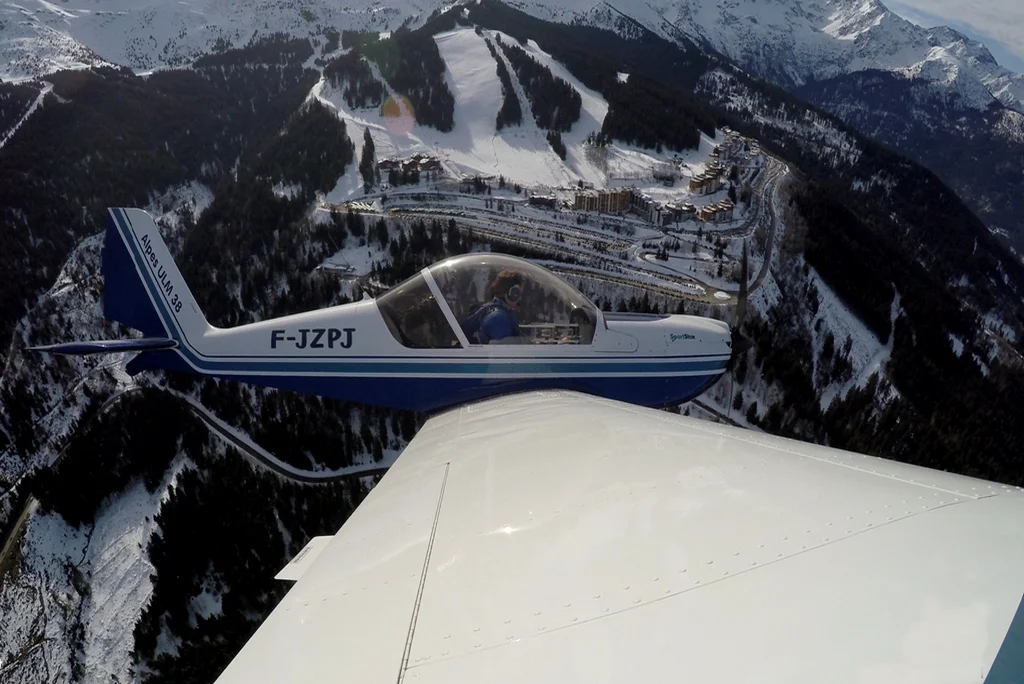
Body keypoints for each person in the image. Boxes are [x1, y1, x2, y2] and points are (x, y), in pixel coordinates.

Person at [462, 270, 524, 343]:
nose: (520, 298)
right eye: (518, 293)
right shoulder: (498, 319)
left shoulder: (496, 311)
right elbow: (504, 348)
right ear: (512, 292)